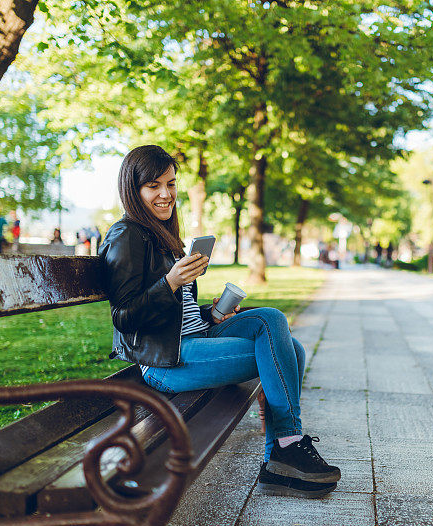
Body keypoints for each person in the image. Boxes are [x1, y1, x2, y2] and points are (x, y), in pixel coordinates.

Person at [98, 145, 340, 498]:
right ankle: (286, 448)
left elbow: (181, 313)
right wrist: (171, 281)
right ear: (133, 190)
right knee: (286, 352)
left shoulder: (162, 235)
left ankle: (281, 454)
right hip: (164, 362)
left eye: (171, 183)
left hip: (194, 341)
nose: (166, 194)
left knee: (276, 325)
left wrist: (212, 316)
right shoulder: (127, 235)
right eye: (153, 186)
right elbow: (124, 318)